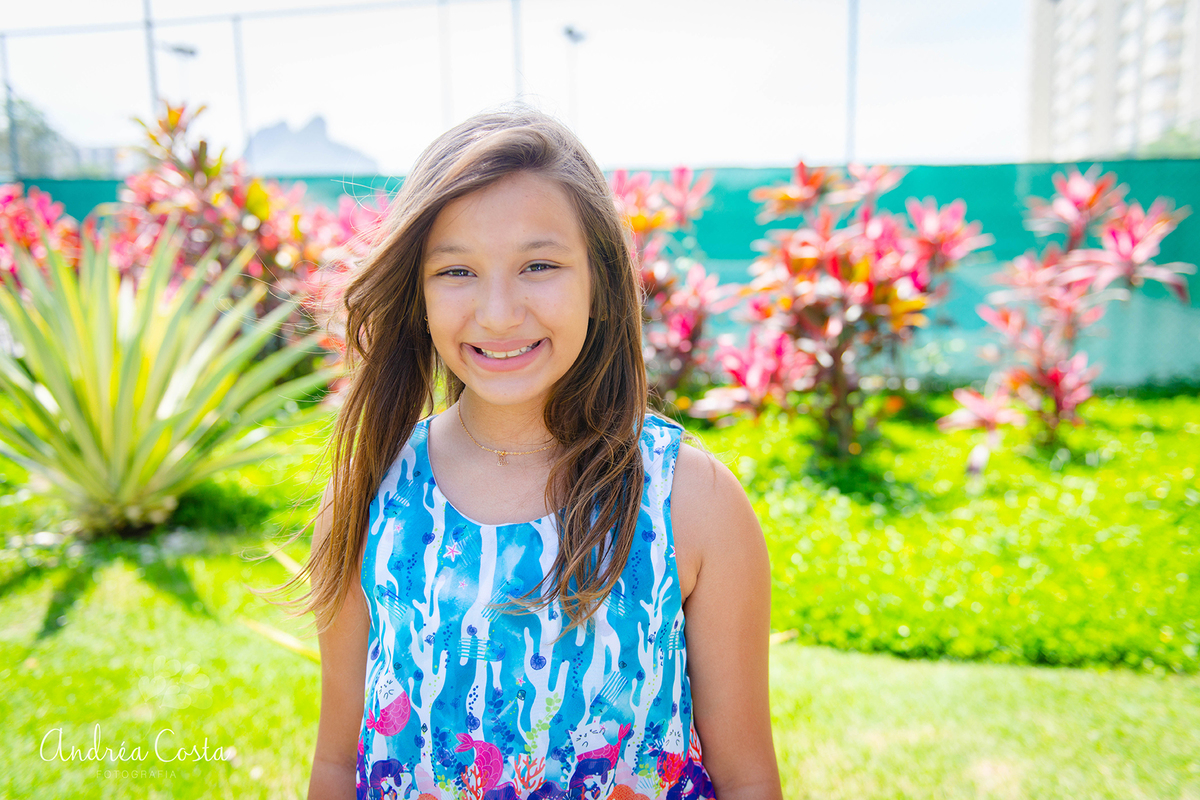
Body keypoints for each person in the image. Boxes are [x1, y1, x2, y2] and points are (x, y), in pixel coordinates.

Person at [295, 105, 781, 800]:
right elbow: (339, 764)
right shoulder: (372, 493)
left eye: (539, 264)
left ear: (601, 284)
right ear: (417, 292)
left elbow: (747, 780)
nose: (497, 312)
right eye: (456, 271)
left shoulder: (691, 500)